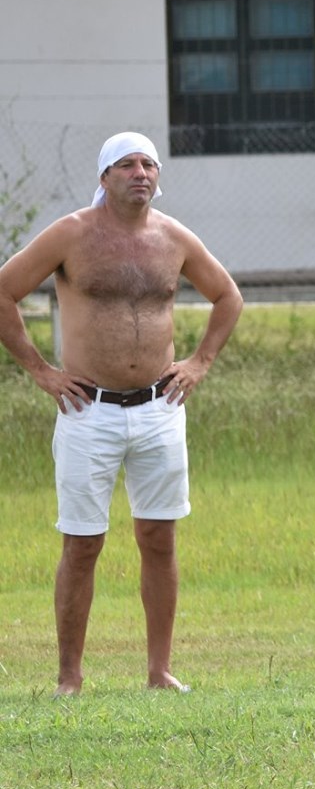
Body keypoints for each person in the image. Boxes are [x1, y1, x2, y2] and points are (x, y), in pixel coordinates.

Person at [0, 133, 243, 696]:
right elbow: (4, 291)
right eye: (128, 165)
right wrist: (41, 371)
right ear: (105, 176)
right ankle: (69, 677)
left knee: (159, 538)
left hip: (160, 407)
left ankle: (159, 672)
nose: (141, 173)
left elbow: (228, 296)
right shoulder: (71, 233)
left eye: (149, 164)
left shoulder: (173, 237)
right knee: (82, 543)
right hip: (88, 408)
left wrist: (200, 362)